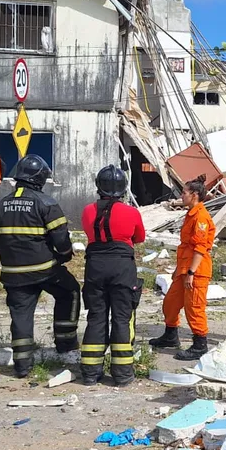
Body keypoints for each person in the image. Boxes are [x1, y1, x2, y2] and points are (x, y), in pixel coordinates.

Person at [0, 155, 80, 378]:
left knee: (21, 314)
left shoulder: (2, 205)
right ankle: (65, 342)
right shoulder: (46, 203)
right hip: (45, 269)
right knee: (69, 290)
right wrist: (65, 256)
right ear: (40, 179)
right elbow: (61, 241)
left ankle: (22, 366)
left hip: (13, 272)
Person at [80, 165, 145, 386]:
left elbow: (90, 234)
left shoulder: (88, 210)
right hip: (122, 268)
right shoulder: (131, 212)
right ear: (123, 188)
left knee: (96, 317)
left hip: (95, 267)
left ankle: (90, 372)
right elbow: (139, 237)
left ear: (99, 186)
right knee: (122, 318)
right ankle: (122, 373)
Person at [150, 175, 216, 361]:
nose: (182, 196)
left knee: (194, 308)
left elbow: (200, 248)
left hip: (196, 270)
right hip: (184, 268)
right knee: (170, 303)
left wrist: (191, 273)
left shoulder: (201, 217)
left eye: (185, 193)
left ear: (194, 195)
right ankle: (170, 336)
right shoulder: (191, 213)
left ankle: (200, 345)